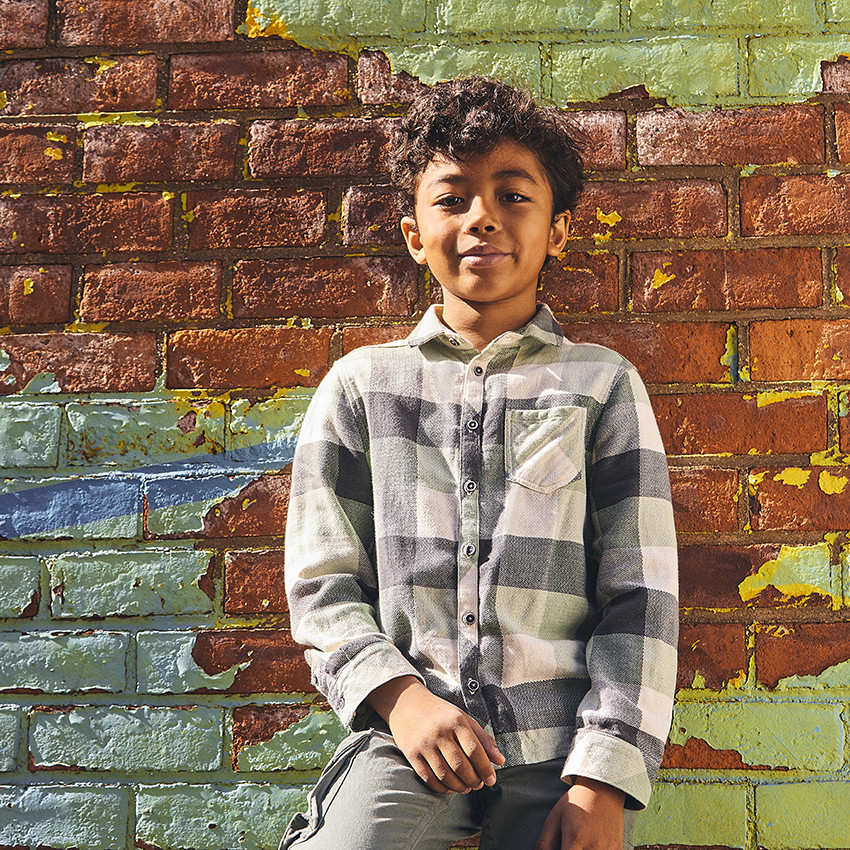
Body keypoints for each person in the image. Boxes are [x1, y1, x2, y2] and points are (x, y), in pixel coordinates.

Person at [281, 76, 678, 850]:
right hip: (407, 741)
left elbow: (642, 599)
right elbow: (321, 586)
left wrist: (602, 780)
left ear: (558, 230)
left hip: (560, 751)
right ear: (412, 233)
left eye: (512, 196)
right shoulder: (362, 387)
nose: (482, 218)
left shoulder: (601, 385)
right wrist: (401, 701)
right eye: (453, 198)